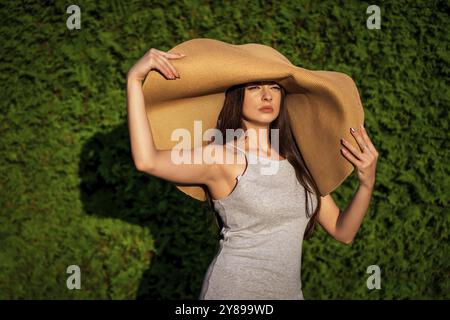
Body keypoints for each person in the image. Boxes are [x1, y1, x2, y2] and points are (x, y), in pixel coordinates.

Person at [126, 46, 379, 300]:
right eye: (255, 87)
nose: (267, 96)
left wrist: (366, 183)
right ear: (237, 96)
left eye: (275, 87)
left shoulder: (299, 163)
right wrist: (134, 80)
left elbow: (342, 231)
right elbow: (147, 160)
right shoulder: (223, 158)